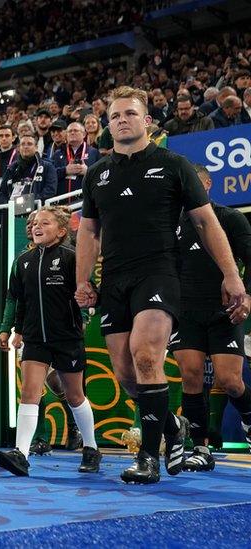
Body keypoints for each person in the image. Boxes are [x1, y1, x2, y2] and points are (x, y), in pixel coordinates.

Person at [75, 86, 250, 484]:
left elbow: (207, 223)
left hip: (160, 274)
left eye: (130, 114)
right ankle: (174, 431)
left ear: (147, 121)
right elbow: (88, 231)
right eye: (115, 115)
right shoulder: (96, 174)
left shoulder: (174, 164)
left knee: (147, 355)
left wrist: (232, 274)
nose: (122, 120)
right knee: (125, 374)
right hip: (115, 280)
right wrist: (82, 280)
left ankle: (149, 459)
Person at [0, 206, 101, 476]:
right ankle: (21, 454)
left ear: (62, 231)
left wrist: (86, 311)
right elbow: (16, 300)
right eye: (34, 223)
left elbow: (89, 292)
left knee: (75, 396)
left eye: (45, 223)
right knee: (29, 393)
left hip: (66, 338)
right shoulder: (23, 261)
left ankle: (91, 448)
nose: (36, 227)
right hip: (34, 339)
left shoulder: (71, 258)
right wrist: (9, 330)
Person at [170, 164, 251, 471]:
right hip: (186, 312)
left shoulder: (230, 218)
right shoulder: (173, 224)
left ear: (207, 184)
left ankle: (248, 421)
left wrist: (248, 297)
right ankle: (200, 449)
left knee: (230, 381)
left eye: (193, 183)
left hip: (223, 311)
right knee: (190, 377)